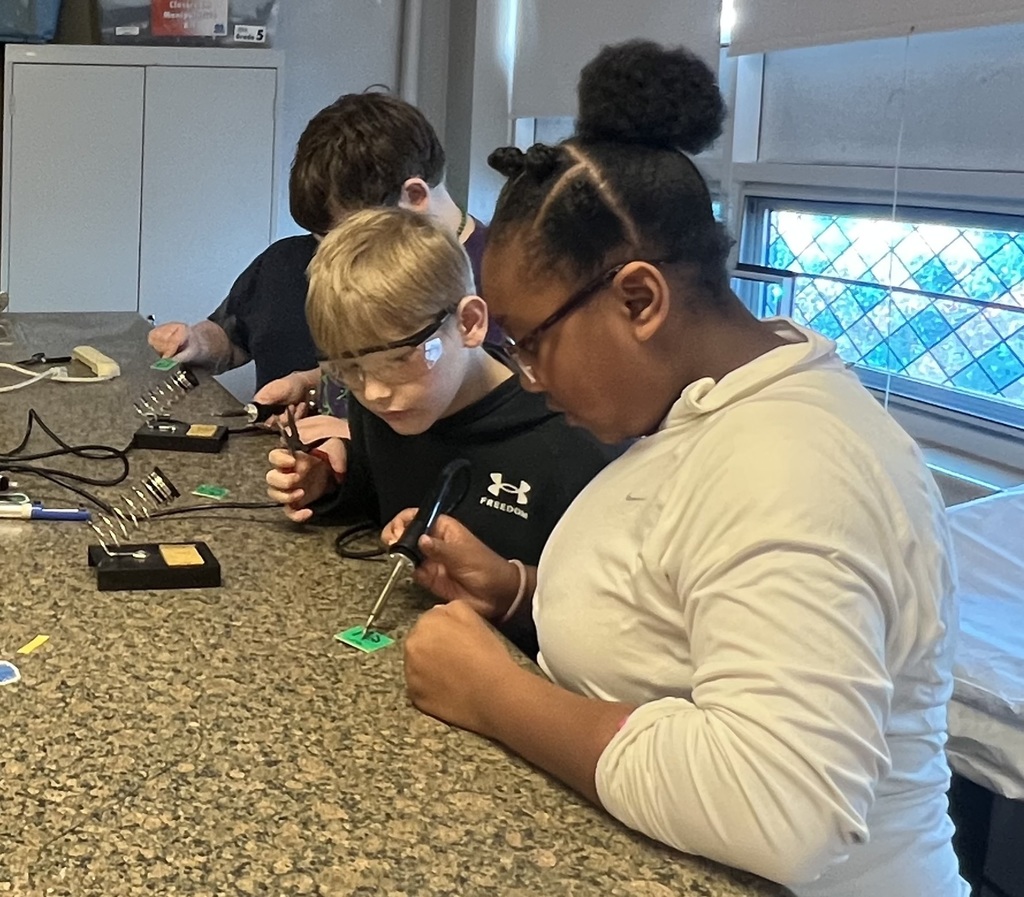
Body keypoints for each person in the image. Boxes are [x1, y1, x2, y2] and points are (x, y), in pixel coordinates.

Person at [391, 41, 969, 897]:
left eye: (533, 341)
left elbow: (781, 807)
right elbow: (684, 612)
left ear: (639, 299)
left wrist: (495, 695)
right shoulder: (709, 409)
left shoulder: (794, 464)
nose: (528, 375)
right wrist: (517, 591)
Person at [265, 207, 620, 659]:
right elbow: (382, 487)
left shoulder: (573, 444)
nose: (374, 392)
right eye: (349, 369)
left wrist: (511, 591)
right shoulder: (385, 409)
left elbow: (613, 623)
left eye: (399, 360)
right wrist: (332, 482)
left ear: (469, 323)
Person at [147, 92, 491, 427]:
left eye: (343, 233)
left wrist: (344, 433)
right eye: (319, 236)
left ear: (414, 197)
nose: (327, 253)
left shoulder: (499, 282)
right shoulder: (285, 262)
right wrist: (198, 342)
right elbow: (233, 335)